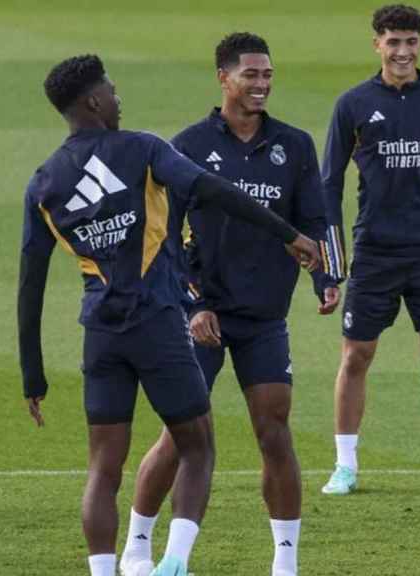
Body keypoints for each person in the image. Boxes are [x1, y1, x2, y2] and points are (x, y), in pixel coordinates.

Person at [18, 54, 320, 576]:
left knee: (103, 468)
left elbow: (30, 285)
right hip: (157, 323)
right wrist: (287, 233)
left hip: (101, 334)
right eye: (111, 90)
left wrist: (33, 376)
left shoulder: (44, 182)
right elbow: (216, 192)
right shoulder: (143, 148)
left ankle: (106, 569)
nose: (118, 97)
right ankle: (175, 561)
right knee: (197, 445)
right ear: (93, 101)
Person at [117, 32, 339, 576]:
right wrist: (192, 304)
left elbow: (317, 220)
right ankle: (138, 547)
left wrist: (327, 277)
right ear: (223, 78)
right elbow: (162, 238)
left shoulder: (295, 145)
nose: (261, 84)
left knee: (274, 429)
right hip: (200, 317)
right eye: (250, 75)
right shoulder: (188, 146)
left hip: (263, 316)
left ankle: (285, 561)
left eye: (267, 75)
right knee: (181, 434)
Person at [320, 4, 420, 496]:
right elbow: (328, 185)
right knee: (356, 356)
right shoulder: (352, 105)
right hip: (375, 249)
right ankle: (345, 466)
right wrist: (334, 259)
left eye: (410, 42)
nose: (402, 51)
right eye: (393, 41)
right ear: (377, 45)